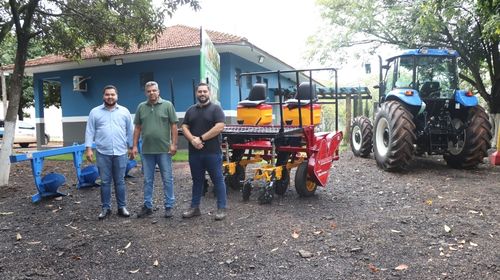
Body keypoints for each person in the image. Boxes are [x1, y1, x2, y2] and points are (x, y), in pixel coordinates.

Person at [85, 85, 134, 220]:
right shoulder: (94, 112)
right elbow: (90, 131)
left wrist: (132, 147)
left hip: (120, 152)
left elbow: (130, 131)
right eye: (107, 94)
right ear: (103, 96)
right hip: (102, 152)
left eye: (112, 94)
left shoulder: (124, 112)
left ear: (117, 96)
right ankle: (105, 208)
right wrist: (88, 148)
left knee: (120, 181)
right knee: (105, 182)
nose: (110, 97)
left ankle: (122, 207)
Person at [181, 82, 227, 221]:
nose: (202, 94)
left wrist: (200, 138)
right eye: (199, 91)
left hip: (212, 152)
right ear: (196, 93)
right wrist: (193, 140)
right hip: (195, 153)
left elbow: (219, 127)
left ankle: (221, 208)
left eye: (205, 91)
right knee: (197, 181)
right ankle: (195, 208)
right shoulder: (190, 110)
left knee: (218, 180)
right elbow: (184, 127)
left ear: (209, 93)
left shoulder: (216, 109)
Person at [132, 81, 178, 218]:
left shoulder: (168, 105)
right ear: (146, 93)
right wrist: (134, 146)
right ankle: (147, 206)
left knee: (167, 179)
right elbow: (137, 128)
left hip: (164, 150)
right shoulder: (141, 107)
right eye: (149, 91)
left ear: (158, 91)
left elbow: (174, 126)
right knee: (147, 180)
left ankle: (169, 206)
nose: (152, 93)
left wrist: (174, 144)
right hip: (146, 151)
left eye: (154, 90)